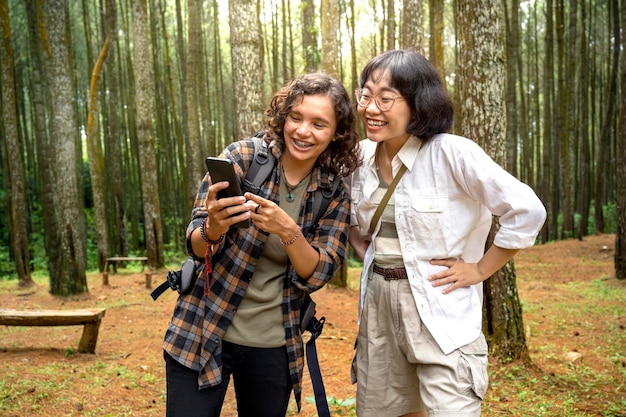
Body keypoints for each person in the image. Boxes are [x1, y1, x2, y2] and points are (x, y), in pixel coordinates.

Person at [348, 49, 547, 417]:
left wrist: (480, 270)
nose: (371, 107)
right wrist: (366, 248)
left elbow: (527, 210)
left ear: (418, 103)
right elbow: (345, 216)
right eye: (365, 94)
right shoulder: (358, 158)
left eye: (385, 98)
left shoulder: (452, 154)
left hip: (441, 312)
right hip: (378, 312)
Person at [162, 72, 361, 417]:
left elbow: (319, 273)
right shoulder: (242, 158)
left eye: (319, 124)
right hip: (202, 328)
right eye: (296, 118)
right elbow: (195, 244)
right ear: (283, 118)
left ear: (336, 133)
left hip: (274, 344)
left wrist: (289, 231)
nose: (302, 131)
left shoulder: (333, 193)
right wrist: (213, 226)